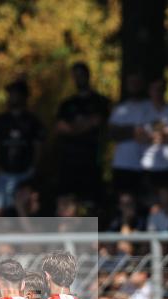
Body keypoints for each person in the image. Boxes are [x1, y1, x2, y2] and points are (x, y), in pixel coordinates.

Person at [54, 62, 111, 204]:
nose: (79, 78)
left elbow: (99, 123)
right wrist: (87, 124)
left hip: (92, 160)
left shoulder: (100, 101)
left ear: (88, 75)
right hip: (69, 161)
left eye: (81, 75)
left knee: (90, 203)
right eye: (75, 75)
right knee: (67, 201)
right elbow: (60, 127)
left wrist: (73, 127)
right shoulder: (67, 104)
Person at [0, 80, 44, 216]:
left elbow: (38, 148)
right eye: (10, 94)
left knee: (24, 210)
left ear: (23, 96)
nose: (11, 97)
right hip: (3, 174)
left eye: (15, 93)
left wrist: (32, 168)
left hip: (25, 174)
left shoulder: (33, 122)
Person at [108, 72, 151, 196]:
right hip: (122, 164)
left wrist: (124, 131)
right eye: (131, 83)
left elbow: (152, 133)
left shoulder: (151, 107)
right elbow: (112, 134)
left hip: (145, 165)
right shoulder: (120, 109)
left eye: (137, 82)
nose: (134, 86)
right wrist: (135, 130)